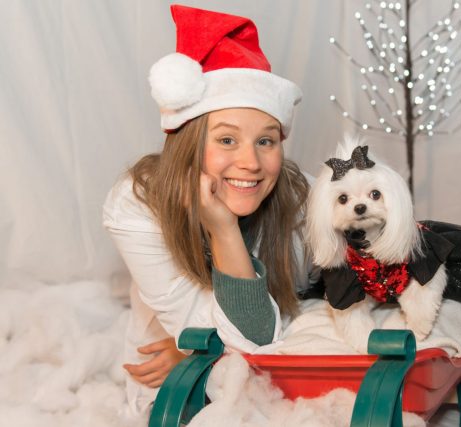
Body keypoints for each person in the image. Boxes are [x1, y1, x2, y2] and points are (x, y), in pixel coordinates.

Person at [103, 5, 314, 414]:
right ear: (190, 144)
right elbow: (244, 336)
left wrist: (199, 351)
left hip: (275, 379)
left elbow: (283, 325)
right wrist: (223, 229)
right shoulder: (136, 205)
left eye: (266, 141)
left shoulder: (299, 197)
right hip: (174, 386)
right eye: (227, 140)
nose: (251, 163)